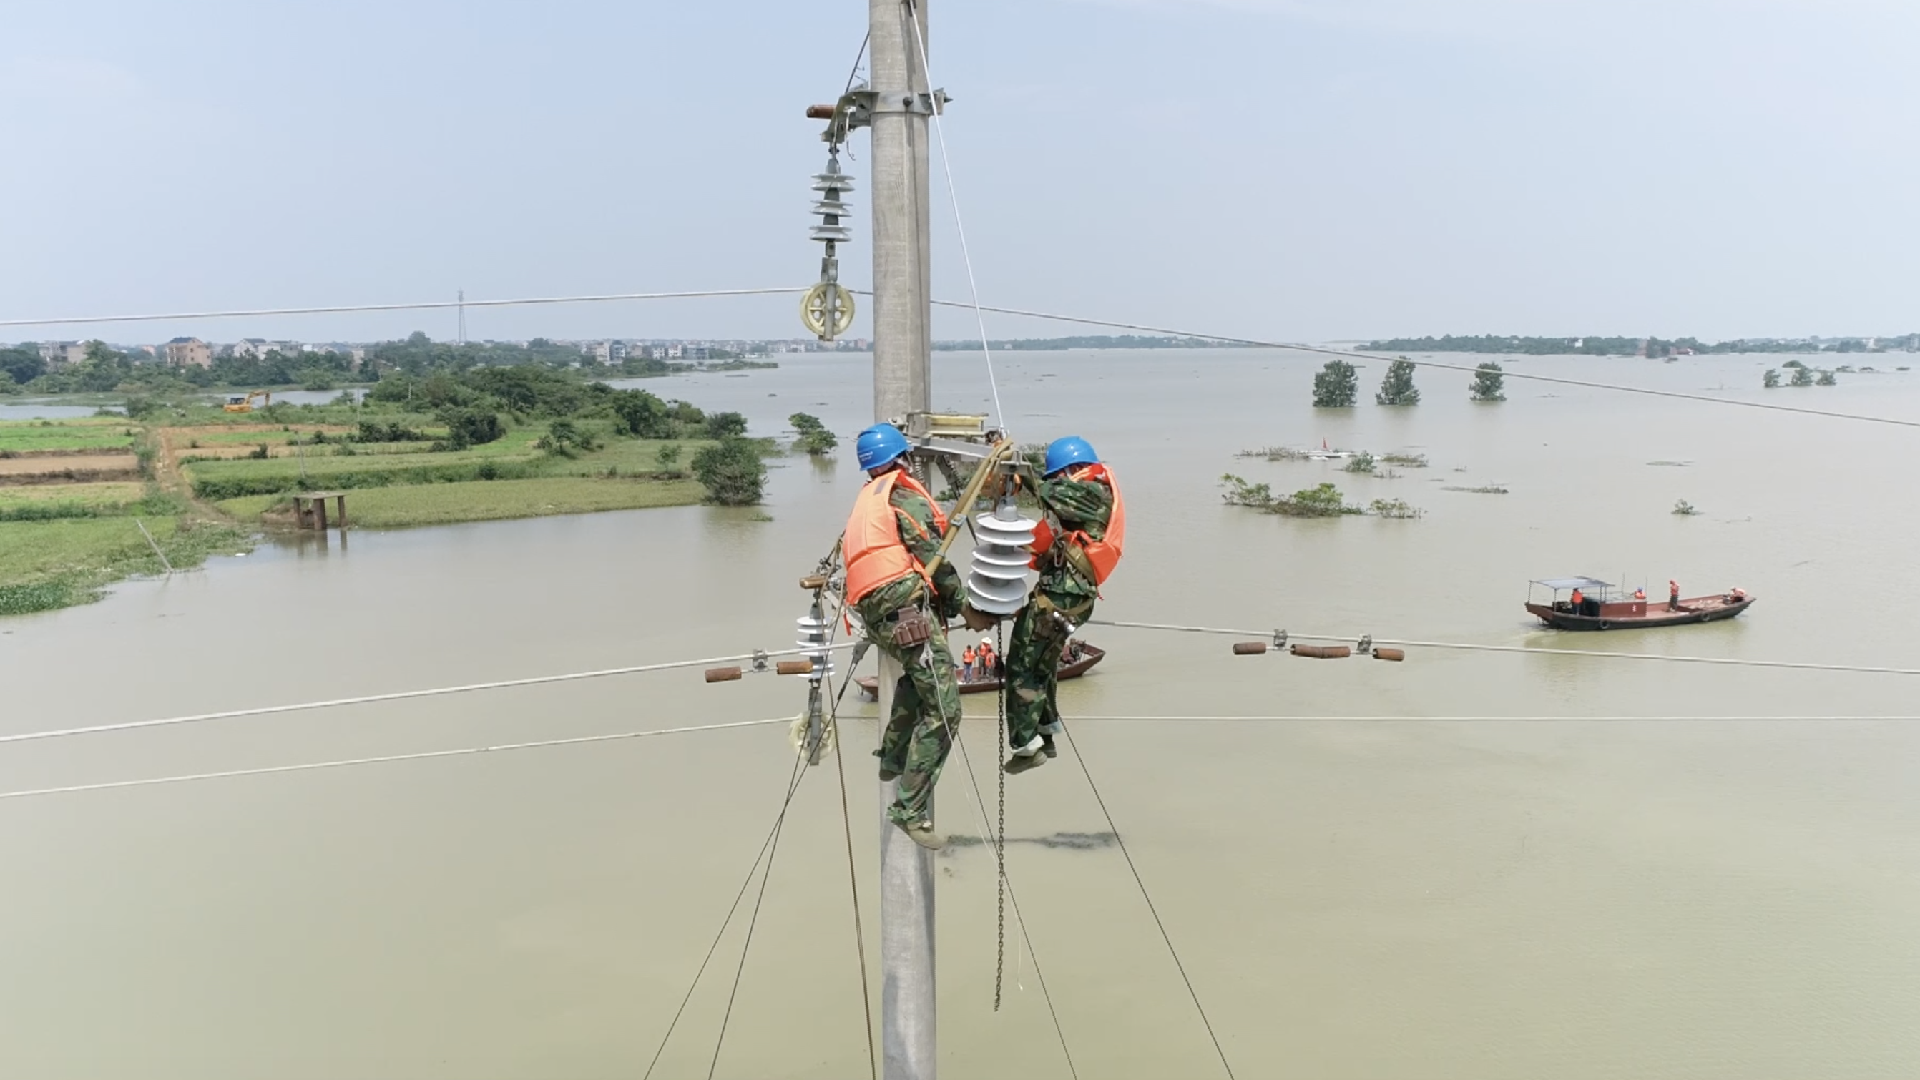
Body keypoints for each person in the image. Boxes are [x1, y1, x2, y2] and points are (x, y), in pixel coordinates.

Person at [844, 422, 965, 850]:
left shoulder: (866, 500)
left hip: (876, 613)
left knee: (917, 680)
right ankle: (909, 808)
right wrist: (959, 603)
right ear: (901, 459)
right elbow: (930, 554)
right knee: (947, 711)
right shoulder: (901, 492)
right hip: (905, 606)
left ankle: (893, 757)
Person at [998, 435, 1124, 774]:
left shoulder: (1089, 492)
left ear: (1071, 470)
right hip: (1068, 597)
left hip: (1061, 597)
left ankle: (1025, 745)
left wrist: (1017, 472)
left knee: (1023, 666)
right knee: (1043, 664)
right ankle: (1045, 731)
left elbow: (1048, 493)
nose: (1054, 482)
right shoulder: (1090, 495)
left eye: (1056, 475)